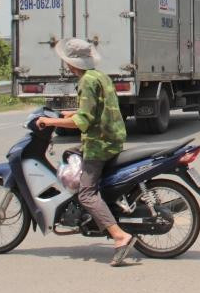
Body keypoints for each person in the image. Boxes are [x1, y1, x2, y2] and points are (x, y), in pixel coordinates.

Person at [35, 38, 135, 266]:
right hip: (112, 138)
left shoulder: (86, 82)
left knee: (86, 193)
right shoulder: (100, 76)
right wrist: (68, 114)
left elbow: (85, 120)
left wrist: (50, 123)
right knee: (70, 154)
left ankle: (120, 236)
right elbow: (93, 110)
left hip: (99, 144)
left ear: (71, 63)